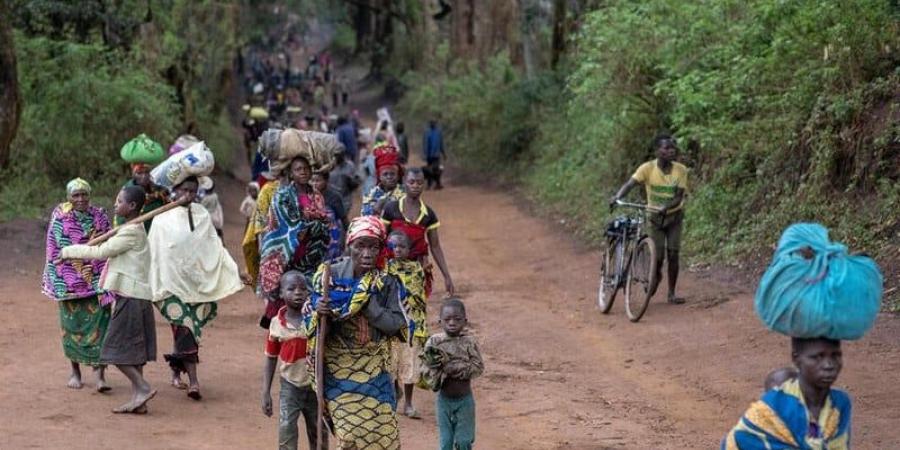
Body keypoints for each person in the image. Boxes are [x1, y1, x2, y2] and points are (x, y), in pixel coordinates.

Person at [308, 216, 406, 449]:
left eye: (374, 246)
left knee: (385, 437)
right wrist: (318, 312)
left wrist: (368, 306)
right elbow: (310, 320)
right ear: (348, 246)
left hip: (376, 368)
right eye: (360, 245)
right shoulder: (329, 275)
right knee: (350, 436)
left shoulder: (387, 281)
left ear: (382, 249)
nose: (367, 253)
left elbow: (396, 323)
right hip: (338, 369)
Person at [60, 186, 157, 414]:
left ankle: (142, 388)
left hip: (131, 298)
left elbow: (99, 253)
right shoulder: (131, 228)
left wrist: (67, 252)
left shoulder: (130, 232)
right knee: (134, 352)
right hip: (137, 296)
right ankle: (138, 400)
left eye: (119, 201)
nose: (115, 205)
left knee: (112, 351)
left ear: (132, 206)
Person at [148, 176, 244, 400]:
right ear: (174, 191)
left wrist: (231, 270)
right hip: (170, 285)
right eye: (184, 190)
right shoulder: (162, 218)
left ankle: (175, 372)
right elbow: (156, 253)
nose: (188, 195)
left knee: (186, 332)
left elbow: (214, 247)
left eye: (192, 191)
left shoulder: (202, 215)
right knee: (186, 329)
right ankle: (194, 382)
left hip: (198, 284)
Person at [42, 178, 112, 391]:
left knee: (101, 328)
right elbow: (53, 253)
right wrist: (60, 283)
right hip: (68, 283)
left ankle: (100, 376)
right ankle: (75, 372)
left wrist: (105, 277)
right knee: (71, 327)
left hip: (96, 281)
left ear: (90, 195)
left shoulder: (99, 216)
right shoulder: (60, 220)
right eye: (76, 195)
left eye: (84, 194)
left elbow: (108, 245)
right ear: (68, 197)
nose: (81, 199)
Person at [722, 337, 850, 449]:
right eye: (817, 357)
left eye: (835, 355)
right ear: (796, 359)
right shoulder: (770, 409)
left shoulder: (840, 404)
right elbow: (738, 441)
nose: (828, 365)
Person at [610, 134, 689, 304]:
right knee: (658, 256)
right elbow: (630, 184)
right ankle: (656, 276)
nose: (670, 151)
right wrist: (617, 196)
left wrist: (665, 207)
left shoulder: (681, 170)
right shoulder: (647, 168)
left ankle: (671, 293)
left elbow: (678, 197)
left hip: (674, 216)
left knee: (673, 254)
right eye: (666, 148)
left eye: (672, 148)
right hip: (655, 218)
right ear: (657, 151)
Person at [258, 156, 331, 328]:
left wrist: (313, 225)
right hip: (287, 256)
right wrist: (311, 224)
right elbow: (283, 225)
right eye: (298, 169)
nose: (303, 172)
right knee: (287, 295)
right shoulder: (282, 196)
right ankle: (279, 338)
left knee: (309, 295)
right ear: (291, 173)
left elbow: (324, 225)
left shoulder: (317, 196)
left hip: (311, 256)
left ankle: (307, 337)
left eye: (306, 168)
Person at [261, 271, 327, 450]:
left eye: (302, 289)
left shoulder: (318, 319)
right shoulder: (276, 323)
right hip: (290, 386)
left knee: (319, 433)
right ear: (281, 293)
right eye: (291, 289)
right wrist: (266, 391)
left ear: (309, 293)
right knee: (286, 430)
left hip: (316, 386)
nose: (298, 292)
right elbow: (271, 358)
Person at [421, 298, 484, 450]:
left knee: (464, 441)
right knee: (446, 442)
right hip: (444, 401)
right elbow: (425, 369)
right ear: (440, 321)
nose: (452, 323)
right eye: (447, 319)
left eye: (457, 319)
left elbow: (478, 367)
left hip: (465, 401)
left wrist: (453, 368)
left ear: (465, 321)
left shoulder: (469, 342)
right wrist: (436, 365)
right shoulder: (434, 342)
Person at [382, 168, 455, 296]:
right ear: (404, 182)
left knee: (414, 307)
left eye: (419, 183)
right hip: (391, 268)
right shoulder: (391, 208)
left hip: (416, 270)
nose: (415, 186)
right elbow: (382, 238)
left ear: (424, 184)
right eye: (412, 182)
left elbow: (435, 246)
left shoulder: (428, 215)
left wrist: (446, 275)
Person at [385, 231, 428, 419]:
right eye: (394, 246)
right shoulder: (385, 268)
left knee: (410, 362)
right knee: (392, 362)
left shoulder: (416, 268)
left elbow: (419, 294)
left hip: (412, 322)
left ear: (409, 250)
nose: (397, 249)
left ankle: (409, 403)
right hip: (392, 323)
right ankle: (395, 392)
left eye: (402, 246)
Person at [118, 163, 169, 230]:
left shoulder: (159, 189)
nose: (144, 176)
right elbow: (120, 215)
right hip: (135, 230)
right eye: (139, 173)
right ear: (134, 175)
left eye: (146, 172)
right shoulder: (127, 192)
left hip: (159, 229)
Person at [311, 171, 347, 261]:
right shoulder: (308, 196)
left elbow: (343, 218)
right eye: (312, 180)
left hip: (332, 237)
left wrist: (348, 236)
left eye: (318, 181)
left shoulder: (334, 197)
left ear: (326, 181)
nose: (314, 184)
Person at [361, 144, 405, 217]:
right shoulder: (370, 194)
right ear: (379, 177)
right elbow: (365, 218)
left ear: (398, 176)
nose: (389, 177)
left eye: (392, 174)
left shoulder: (405, 193)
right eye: (385, 174)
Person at [328, 144, 360, 215]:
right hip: (331, 198)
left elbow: (356, 182)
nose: (337, 156)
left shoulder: (350, 166)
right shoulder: (329, 165)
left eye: (340, 154)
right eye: (336, 154)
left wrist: (350, 180)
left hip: (345, 199)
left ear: (343, 154)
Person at [423, 120, 447, 190]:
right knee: (430, 170)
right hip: (430, 155)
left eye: (433, 123)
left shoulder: (438, 132)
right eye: (431, 123)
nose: (433, 124)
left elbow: (441, 144)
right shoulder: (428, 132)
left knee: (435, 170)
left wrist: (443, 153)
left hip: (435, 155)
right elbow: (425, 144)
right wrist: (425, 154)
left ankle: (437, 184)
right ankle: (431, 184)